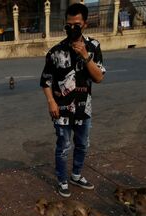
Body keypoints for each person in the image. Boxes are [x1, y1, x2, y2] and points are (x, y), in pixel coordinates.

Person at [40, 3, 105, 198]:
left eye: (76, 24)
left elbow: (99, 77)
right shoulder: (55, 52)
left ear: (85, 24)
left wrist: (85, 56)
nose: (72, 28)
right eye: (68, 25)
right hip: (61, 109)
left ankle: (76, 175)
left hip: (84, 108)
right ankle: (62, 180)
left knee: (83, 144)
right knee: (63, 147)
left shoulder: (94, 47)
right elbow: (46, 80)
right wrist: (50, 101)